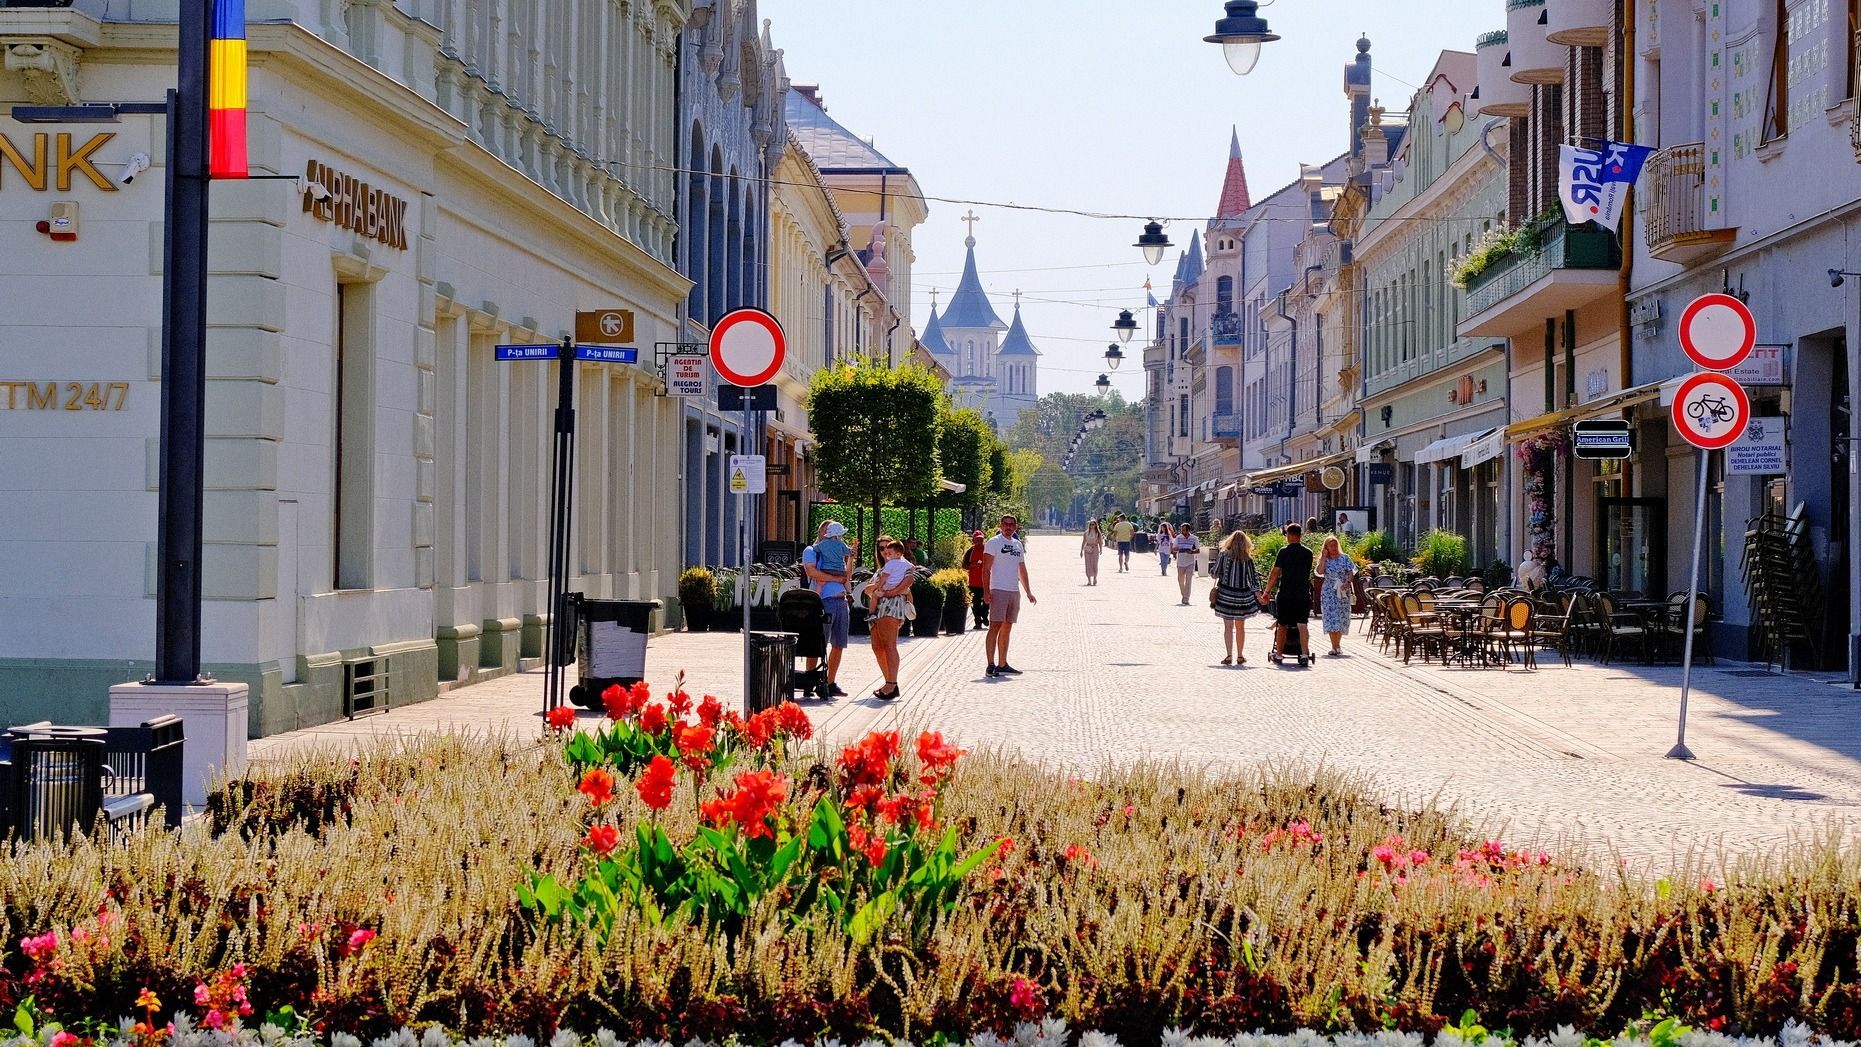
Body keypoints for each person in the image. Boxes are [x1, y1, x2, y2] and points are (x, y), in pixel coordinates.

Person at [799, 520, 854, 698]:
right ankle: (810, 680)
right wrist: (837, 579)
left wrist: (850, 558)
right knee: (817, 643)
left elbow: (847, 575)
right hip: (823, 601)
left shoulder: (837, 549)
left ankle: (830, 682)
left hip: (841, 601)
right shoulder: (811, 550)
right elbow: (812, 573)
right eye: (827, 530)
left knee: (839, 644)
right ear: (822, 532)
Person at [982, 514, 1037, 678]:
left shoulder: (1017, 544)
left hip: (1014, 590)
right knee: (995, 626)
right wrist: (986, 591)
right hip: (998, 589)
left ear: (1016, 527)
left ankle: (1002, 663)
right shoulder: (993, 543)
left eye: (1011, 524)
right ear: (1000, 525)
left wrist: (1028, 591)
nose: (1008, 527)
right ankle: (990, 664)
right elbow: (986, 569)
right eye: (1005, 524)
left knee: (1007, 627)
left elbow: (1022, 569)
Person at [866, 538, 914, 700]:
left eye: (887, 547)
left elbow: (908, 584)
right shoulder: (882, 570)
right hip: (877, 608)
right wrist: (879, 588)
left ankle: (892, 684)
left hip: (891, 606)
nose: (884, 551)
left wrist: (890, 591)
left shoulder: (902, 565)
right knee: (877, 646)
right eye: (881, 548)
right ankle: (888, 681)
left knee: (889, 645)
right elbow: (868, 590)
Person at [1263, 523, 1315, 662]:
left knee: (1282, 624)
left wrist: (1267, 591)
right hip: (1302, 593)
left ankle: (1279, 654)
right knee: (1302, 624)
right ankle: (1304, 654)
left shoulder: (1284, 552)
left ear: (1289, 535)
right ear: (1300, 536)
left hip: (1286, 593)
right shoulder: (1308, 553)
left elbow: (1275, 572)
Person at [1211, 531, 1261, 665]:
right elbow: (1253, 580)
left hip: (1225, 594)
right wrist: (1259, 596)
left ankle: (1228, 655)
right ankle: (1240, 655)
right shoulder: (1248, 559)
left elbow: (1215, 573)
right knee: (1240, 627)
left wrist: (1216, 573)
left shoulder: (1223, 555)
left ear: (1230, 541)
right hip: (1242, 597)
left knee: (1228, 627)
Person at [1317, 536, 1355, 656]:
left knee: (1341, 617)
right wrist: (1324, 557)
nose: (1333, 548)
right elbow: (1320, 572)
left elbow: (1351, 572)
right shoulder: (1324, 559)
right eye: (1331, 546)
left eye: (1335, 545)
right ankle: (1334, 646)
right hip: (1329, 591)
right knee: (1331, 617)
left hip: (1342, 590)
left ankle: (1337, 645)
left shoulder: (1345, 558)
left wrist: (1348, 582)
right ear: (1326, 547)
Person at [961, 530, 991, 627]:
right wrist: (972, 565)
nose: (979, 542)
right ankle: (977, 621)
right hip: (973, 583)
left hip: (986, 581)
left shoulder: (988, 550)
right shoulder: (970, 551)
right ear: (973, 540)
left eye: (981, 539)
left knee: (987, 601)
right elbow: (964, 565)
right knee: (975, 603)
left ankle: (985, 616)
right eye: (977, 540)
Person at [1172, 523, 1202, 605]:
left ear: (1188, 530)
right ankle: (1183, 594)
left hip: (1190, 562)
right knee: (1180, 580)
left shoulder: (1194, 538)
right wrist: (1176, 549)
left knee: (1188, 581)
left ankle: (1186, 598)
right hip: (1180, 562)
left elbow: (1198, 550)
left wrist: (1192, 552)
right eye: (1182, 530)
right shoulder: (1178, 538)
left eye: (1184, 530)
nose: (1183, 532)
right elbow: (1173, 549)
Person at [1081, 519, 1104, 585]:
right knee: (1088, 564)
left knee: (1095, 564)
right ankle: (1089, 580)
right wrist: (1081, 550)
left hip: (1095, 548)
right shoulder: (1086, 533)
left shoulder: (1098, 533)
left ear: (1095, 525)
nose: (1092, 525)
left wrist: (1101, 549)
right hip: (1087, 549)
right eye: (1090, 524)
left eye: (1093, 524)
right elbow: (1084, 541)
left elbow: (1100, 542)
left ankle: (1095, 578)